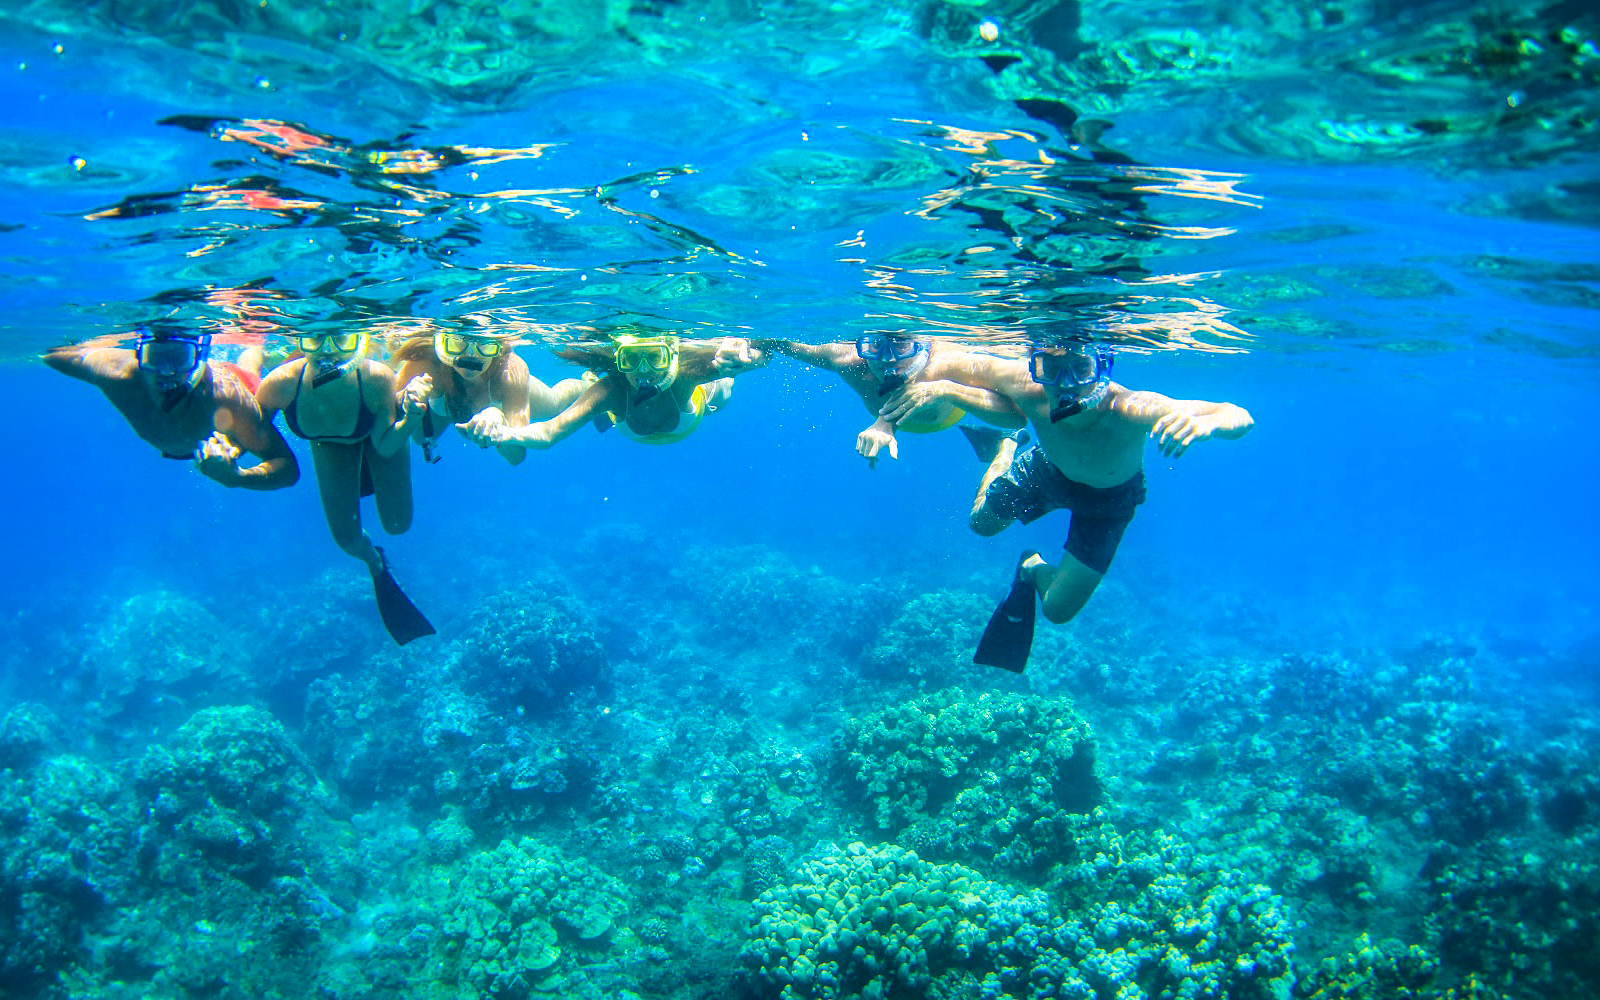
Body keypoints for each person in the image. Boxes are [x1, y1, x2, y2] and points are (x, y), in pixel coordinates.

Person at [959, 341, 1254, 671]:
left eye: (1081, 368)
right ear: (1036, 367)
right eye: (1052, 370)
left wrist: (1208, 424)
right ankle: (1006, 445)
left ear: (1102, 367)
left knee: (1057, 610)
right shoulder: (1030, 388)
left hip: (1108, 502)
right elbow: (950, 362)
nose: (1067, 382)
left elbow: (1239, 415)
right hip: (1051, 468)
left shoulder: (1131, 406)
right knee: (981, 525)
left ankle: (1031, 567)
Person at [255, 329, 434, 644]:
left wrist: (411, 420)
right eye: (315, 339)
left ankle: (366, 471)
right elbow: (249, 431)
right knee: (347, 541)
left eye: (342, 340)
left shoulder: (377, 378)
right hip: (330, 444)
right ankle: (376, 563)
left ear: (360, 340)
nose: (329, 351)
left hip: (380, 433)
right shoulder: (281, 383)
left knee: (398, 524)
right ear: (300, 343)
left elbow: (387, 444)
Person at [44, 326, 298, 490]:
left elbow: (287, 466)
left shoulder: (229, 400)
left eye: (179, 358)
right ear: (138, 354)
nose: (166, 371)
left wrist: (238, 476)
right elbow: (58, 355)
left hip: (235, 382)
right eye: (155, 357)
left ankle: (256, 343)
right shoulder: (115, 373)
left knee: (251, 371)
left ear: (199, 356)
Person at [760, 334, 1027, 467]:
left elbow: (1017, 417)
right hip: (906, 422)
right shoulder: (848, 361)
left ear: (922, 345)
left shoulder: (952, 365)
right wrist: (755, 344)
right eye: (875, 345)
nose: (887, 359)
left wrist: (947, 390)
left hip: (949, 416)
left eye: (900, 345)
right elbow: (785, 344)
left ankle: (999, 441)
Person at [479, 332, 764, 452]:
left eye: (655, 358)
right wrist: (508, 434)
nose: (643, 371)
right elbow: (550, 433)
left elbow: (762, 353)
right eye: (630, 360)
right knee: (591, 392)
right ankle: (589, 380)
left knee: (723, 387)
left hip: (698, 404)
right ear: (619, 360)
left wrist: (743, 357)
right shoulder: (612, 391)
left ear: (673, 355)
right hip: (628, 416)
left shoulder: (684, 376)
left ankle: (721, 380)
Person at [390, 329, 588, 465]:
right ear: (441, 344)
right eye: (457, 344)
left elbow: (516, 457)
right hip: (445, 404)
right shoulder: (426, 362)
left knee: (554, 403)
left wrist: (499, 424)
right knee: (419, 438)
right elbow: (389, 408)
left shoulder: (510, 371)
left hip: (498, 399)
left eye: (484, 346)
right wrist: (405, 398)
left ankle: (588, 383)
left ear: (498, 348)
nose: (470, 357)